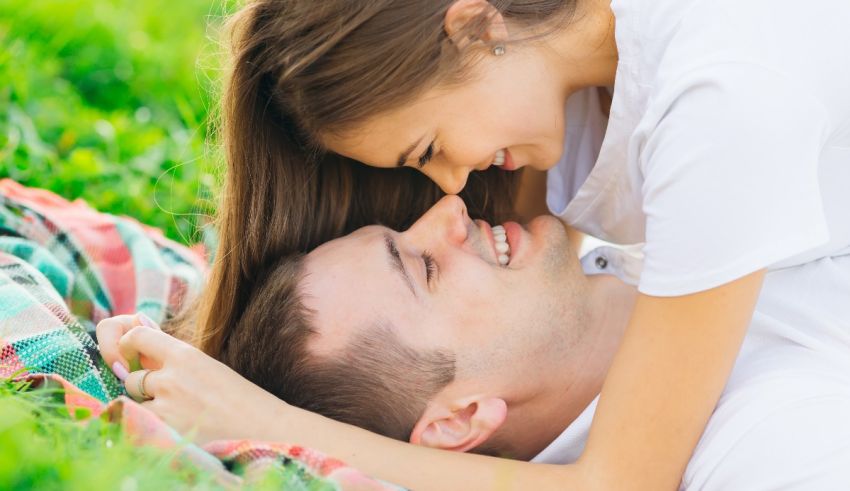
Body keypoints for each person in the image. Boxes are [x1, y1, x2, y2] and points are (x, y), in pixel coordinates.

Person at [148, 0, 850, 488]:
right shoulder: (571, 98)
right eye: (421, 264)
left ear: (478, 28)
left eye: (427, 147)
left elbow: (621, 480)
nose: (450, 195)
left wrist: (274, 425)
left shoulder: (720, 96)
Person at [99, 196, 850, 489]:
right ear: (458, 420)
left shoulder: (650, 211)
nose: (450, 212)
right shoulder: (768, 441)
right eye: (424, 266)